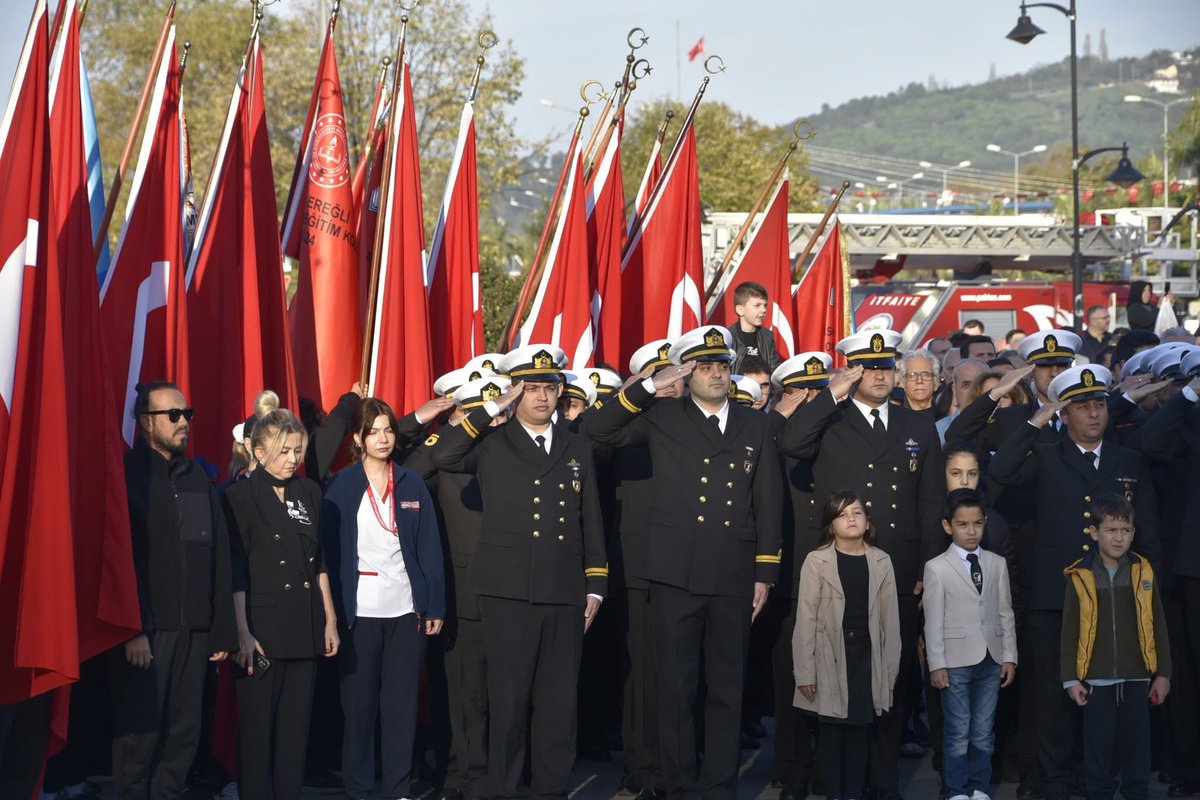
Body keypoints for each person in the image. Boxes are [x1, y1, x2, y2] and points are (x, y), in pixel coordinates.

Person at [580, 326, 782, 800]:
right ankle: (677, 784)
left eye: (721, 366)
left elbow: (767, 500)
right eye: (704, 366)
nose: (715, 374)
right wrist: (651, 385)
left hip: (733, 573)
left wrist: (765, 571)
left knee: (726, 689)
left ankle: (719, 785)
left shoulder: (755, 424)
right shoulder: (663, 415)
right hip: (675, 572)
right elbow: (598, 430)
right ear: (687, 372)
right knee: (675, 687)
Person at [430, 345, 608, 800]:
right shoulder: (491, 442)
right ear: (517, 393)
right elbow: (445, 456)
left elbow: (591, 517)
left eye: (549, 388)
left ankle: (550, 790)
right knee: (507, 703)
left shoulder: (576, 446)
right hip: (506, 592)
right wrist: (493, 407)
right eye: (531, 389)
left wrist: (596, 586)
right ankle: (502, 791)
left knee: (557, 703)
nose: (542, 398)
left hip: (564, 590)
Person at [778, 329, 945, 800]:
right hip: (842, 566)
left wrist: (925, 567)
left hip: (898, 565)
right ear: (852, 370)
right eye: (869, 367)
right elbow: (791, 444)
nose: (879, 375)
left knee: (891, 675)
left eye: (885, 366)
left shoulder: (917, 424)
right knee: (833, 673)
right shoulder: (831, 417)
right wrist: (830, 392)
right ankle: (830, 775)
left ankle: (882, 778)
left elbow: (931, 501)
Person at [989, 364, 1161, 800]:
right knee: (1053, 693)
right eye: (1081, 407)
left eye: (1099, 404)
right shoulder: (1046, 455)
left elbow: (1151, 531)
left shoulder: (1129, 460)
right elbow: (1003, 471)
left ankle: (1094, 775)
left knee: (1105, 695)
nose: (1093, 414)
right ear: (1064, 415)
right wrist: (1034, 423)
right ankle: (1054, 778)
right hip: (1057, 594)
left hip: (1114, 595)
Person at [111, 382, 237, 800]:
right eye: (173, 415)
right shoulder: (128, 477)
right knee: (139, 736)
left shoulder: (198, 477)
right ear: (147, 422)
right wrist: (133, 629)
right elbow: (119, 561)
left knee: (184, 733)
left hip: (195, 633)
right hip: (148, 634)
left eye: (188, 414)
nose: (184, 423)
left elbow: (218, 557)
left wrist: (219, 632)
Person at [320, 397, 445, 800]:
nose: (383, 438)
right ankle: (358, 788)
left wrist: (435, 604)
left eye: (389, 430)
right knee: (358, 709)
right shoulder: (341, 485)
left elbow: (429, 548)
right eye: (373, 431)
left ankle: (397, 787)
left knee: (401, 707)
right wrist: (333, 616)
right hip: (360, 613)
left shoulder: (411, 483)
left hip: (406, 611)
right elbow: (329, 555)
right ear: (358, 437)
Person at [224, 408, 338, 800]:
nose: (292, 459)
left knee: (295, 735)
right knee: (257, 736)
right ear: (257, 451)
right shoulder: (239, 496)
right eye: (283, 451)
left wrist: (330, 618)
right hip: (261, 628)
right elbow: (236, 569)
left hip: (304, 623)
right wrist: (241, 631)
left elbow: (319, 558)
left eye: (296, 450)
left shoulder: (309, 492)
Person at [406, 369, 505, 800]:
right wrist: (451, 427)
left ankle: (497, 776)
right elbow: (409, 473)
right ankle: (460, 776)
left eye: (498, 410)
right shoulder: (447, 452)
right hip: (461, 591)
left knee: (505, 692)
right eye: (480, 411)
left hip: (511, 589)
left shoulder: (514, 450)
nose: (493, 420)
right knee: (462, 693)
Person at [1061, 494, 1171, 800]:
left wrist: (1163, 673)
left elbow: (1158, 623)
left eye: (1125, 530)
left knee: (1137, 749)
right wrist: (1071, 679)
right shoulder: (1079, 575)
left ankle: (1137, 793)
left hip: (1137, 678)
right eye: (1111, 530)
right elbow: (1069, 630)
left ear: (1134, 533)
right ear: (1095, 532)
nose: (1119, 538)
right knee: (1098, 750)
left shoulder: (1143, 571)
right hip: (1096, 681)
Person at [793, 492, 901, 800]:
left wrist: (889, 673)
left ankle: (853, 793)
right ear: (830, 525)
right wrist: (805, 673)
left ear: (868, 522)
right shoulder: (817, 561)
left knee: (859, 730)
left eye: (857, 512)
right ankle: (834, 794)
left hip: (867, 656)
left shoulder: (881, 560)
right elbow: (806, 620)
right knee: (831, 731)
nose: (851, 518)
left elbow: (890, 622)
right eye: (842, 514)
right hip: (829, 654)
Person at [766, 353, 831, 800]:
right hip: (789, 574)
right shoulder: (770, 432)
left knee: (831, 674)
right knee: (789, 675)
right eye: (799, 393)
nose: (808, 401)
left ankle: (827, 765)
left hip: (831, 569)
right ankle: (791, 766)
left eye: (816, 393)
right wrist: (777, 413)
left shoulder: (834, 428)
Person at [923, 489, 1018, 800]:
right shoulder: (937, 567)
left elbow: (1005, 611)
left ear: (985, 523)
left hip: (991, 659)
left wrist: (1010, 657)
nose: (971, 531)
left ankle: (979, 787)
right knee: (958, 731)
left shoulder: (996, 563)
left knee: (983, 732)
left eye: (977, 523)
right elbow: (933, 620)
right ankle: (956, 790)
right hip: (955, 660)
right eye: (963, 524)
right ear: (948, 526)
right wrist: (936, 663)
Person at [726, 281, 781, 373]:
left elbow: (774, 371)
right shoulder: (728, 338)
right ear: (740, 310)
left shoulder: (767, 337)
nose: (764, 310)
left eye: (765, 305)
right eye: (757, 305)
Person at [935, 359, 989, 443]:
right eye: (966, 385)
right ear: (954, 390)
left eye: (979, 384)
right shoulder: (938, 431)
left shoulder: (1004, 426)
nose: (973, 391)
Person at [896, 349, 939, 414]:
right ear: (903, 383)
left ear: (936, 383)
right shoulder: (892, 420)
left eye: (926, 375)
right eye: (912, 375)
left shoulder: (947, 421)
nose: (919, 381)